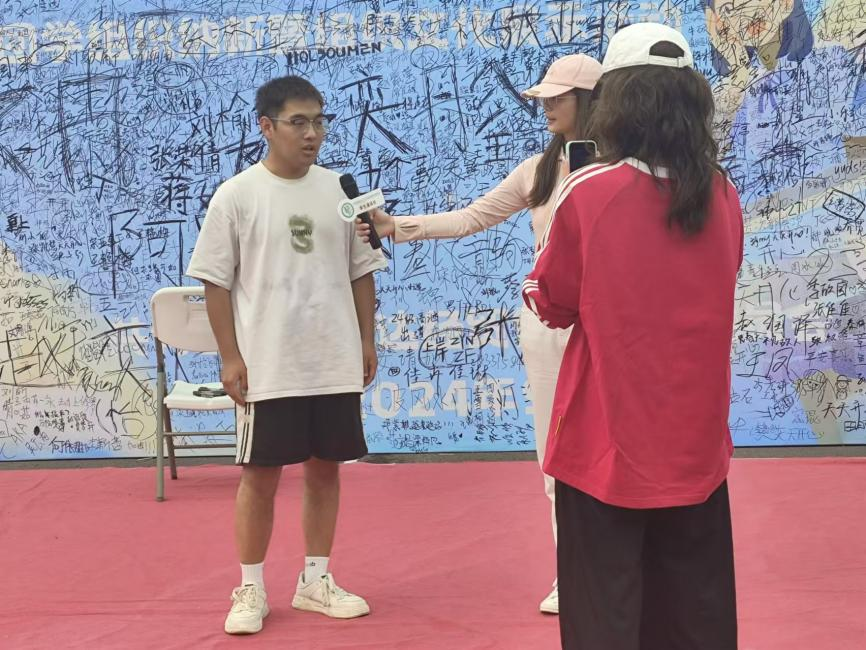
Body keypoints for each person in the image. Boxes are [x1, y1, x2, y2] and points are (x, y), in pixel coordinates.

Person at [355, 53, 603, 615]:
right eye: (542, 98)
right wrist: (397, 227)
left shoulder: (626, 167)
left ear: (590, 100)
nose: (545, 107)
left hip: (610, 326)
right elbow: (473, 217)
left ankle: (622, 569)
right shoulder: (537, 171)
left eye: (558, 97)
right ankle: (572, 573)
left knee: (612, 450)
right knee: (556, 452)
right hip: (548, 323)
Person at [521, 23, 743, 649]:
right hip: (696, 447)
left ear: (617, 102)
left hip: (607, 445)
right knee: (695, 618)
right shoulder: (722, 192)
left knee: (605, 620)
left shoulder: (590, 190)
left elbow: (551, 301)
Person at [186, 75, 387, 635]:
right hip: (269, 364)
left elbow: (362, 271)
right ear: (267, 127)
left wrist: (365, 341)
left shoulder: (341, 191)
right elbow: (215, 282)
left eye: (319, 121)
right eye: (299, 122)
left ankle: (315, 581)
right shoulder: (237, 195)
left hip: (332, 358)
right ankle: (250, 587)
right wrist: (230, 356)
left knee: (325, 471)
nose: (312, 134)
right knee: (260, 476)